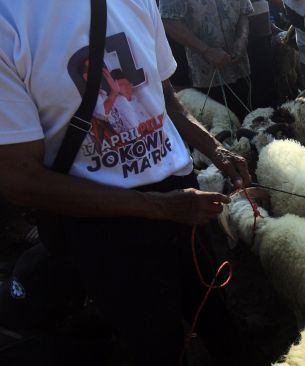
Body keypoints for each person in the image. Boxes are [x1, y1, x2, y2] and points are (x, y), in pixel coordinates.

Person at [0, 1, 253, 365]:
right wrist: (159, 208)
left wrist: (214, 148)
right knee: (155, 342)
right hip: (107, 223)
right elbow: (18, 178)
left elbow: (162, 94)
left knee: (216, 310)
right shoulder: (10, 22)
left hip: (182, 195)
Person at [159, 0, 254, 121]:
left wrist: (242, 38)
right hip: (208, 76)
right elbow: (169, 21)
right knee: (221, 130)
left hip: (241, 69)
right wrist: (206, 50)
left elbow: (244, 10)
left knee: (249, 124)